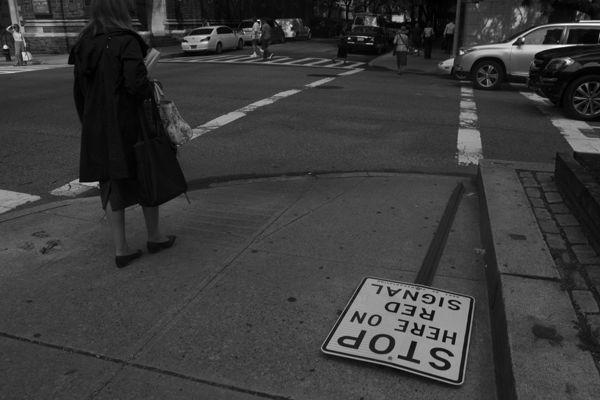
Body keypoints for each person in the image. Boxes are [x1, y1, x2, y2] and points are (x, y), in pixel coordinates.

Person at [68, 0, 176, 268]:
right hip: (130, 122)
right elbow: (136, 86)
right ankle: (155, 236)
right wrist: (147, 76)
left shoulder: (83, 43)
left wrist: (88, 122)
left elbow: (79, 92)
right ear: (120, 11)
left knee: (110, 182)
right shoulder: (128, 40)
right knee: (146, 172)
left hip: (97, 125)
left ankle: (121, 249)